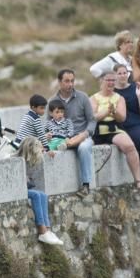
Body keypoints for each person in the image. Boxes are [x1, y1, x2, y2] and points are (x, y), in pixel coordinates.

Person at [49, 69, 96, 197]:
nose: (70, 84)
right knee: (49, 150)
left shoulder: (83, 97)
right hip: (62, 139)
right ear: (59, 82)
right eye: (67, 81)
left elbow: (92, 121)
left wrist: (85, 134)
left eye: (72, 81)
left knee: (84, 147)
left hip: (82, 136)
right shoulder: (52, 101)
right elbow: (48, 125)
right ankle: (55, 190)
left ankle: (86, 185)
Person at [90, 71, 140, 185]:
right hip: (97, 130)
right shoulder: (94, 98)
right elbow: (93, 117)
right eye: (108, 80)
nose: (111, 83)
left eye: (113, 80)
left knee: (130, 146)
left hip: (114, 128)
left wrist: (114, 112)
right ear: (101, 81)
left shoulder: (119, 98)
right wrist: (106, 111)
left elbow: (122, 118)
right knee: (84, 147)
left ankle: (138, 180)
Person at [112, 64, 140, 191]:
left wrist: (138, 95)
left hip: (136, 123)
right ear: (115, 75)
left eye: (125, 73)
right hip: (119, 126)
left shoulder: (135, 88)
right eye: (119, 73)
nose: (122, 75)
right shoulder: (112, 92)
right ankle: (136, 178)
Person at [16, 137, 65, 246]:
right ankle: (42, 230)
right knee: (36, 195)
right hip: (16, 191)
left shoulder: (30, 160)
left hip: (25, 189)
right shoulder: (15, 161)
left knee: (42, 195)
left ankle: (47, 229)